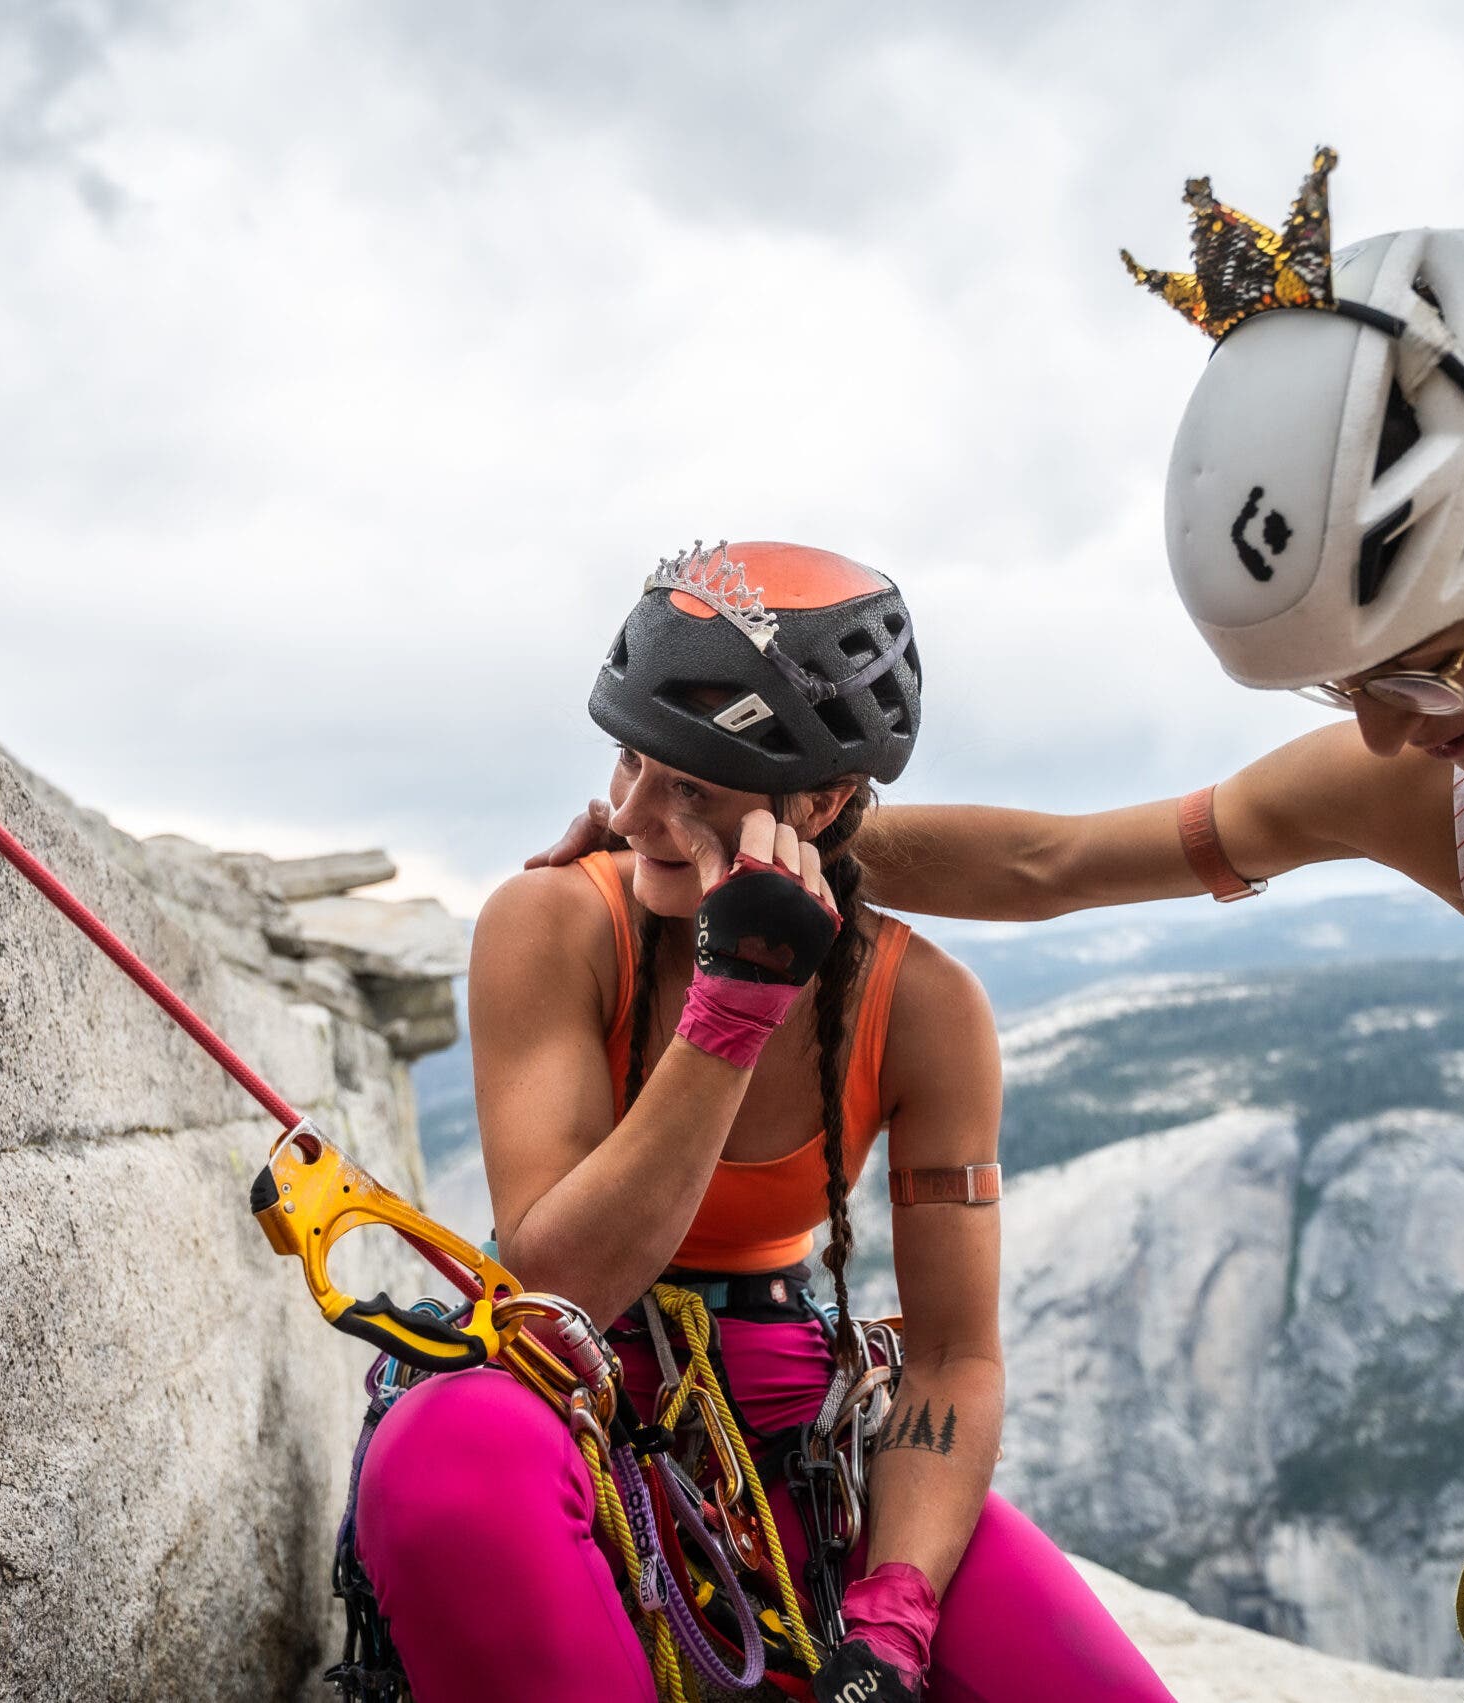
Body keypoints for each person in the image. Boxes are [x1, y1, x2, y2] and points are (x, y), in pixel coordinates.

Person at [538, 155, 1464, 1702]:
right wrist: (708, 812)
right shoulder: (1443, 792)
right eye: (1347, 692)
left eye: (1423, 670)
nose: (1392, 735)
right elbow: (1055, 859)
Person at [359, 542, 1175, 1703]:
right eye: (631, 758)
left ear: (825, 801)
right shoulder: (551, 922)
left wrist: (893, 1612)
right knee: (447, 1461)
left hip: (788, 1415)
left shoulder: (925, 1006)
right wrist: (730, 1007)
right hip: (560, 1388)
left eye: (691, 783)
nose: (634, 810)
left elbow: (951, 1356)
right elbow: (559, 1273)